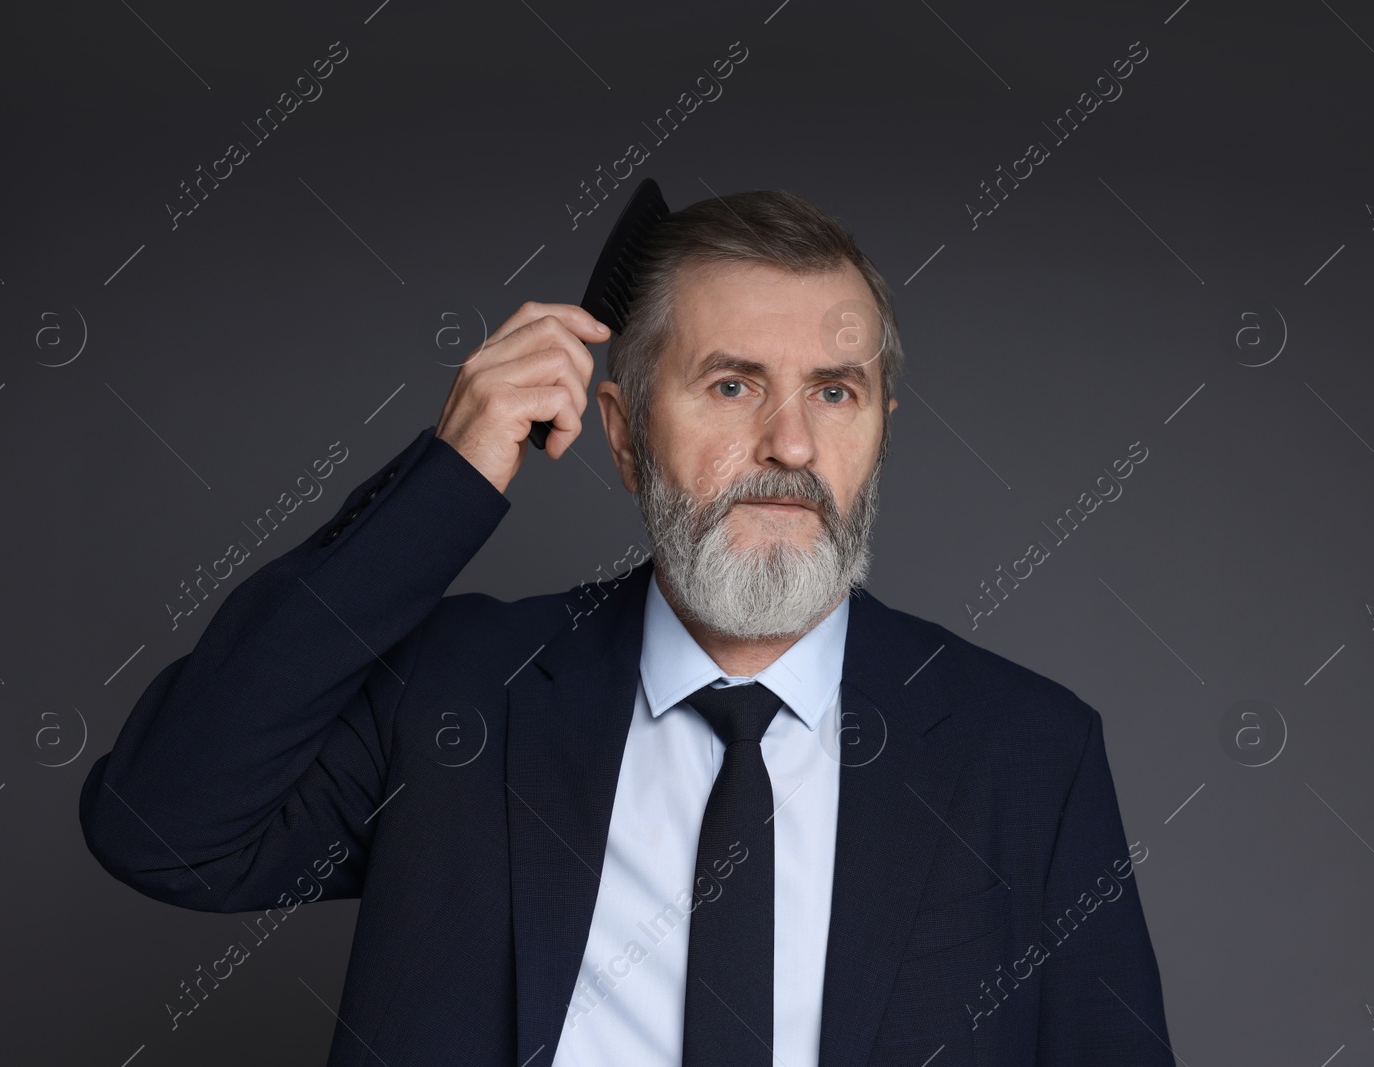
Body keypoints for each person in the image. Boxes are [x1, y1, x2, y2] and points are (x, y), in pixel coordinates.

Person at [80, 189, 1174, 1066]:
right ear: (620, 433)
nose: (790, 442)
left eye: (835, 393)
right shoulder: (461, 695)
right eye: (733, 383)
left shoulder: (1027, 750)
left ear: (880, 427)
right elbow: (163, 825)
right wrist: (447, 481)